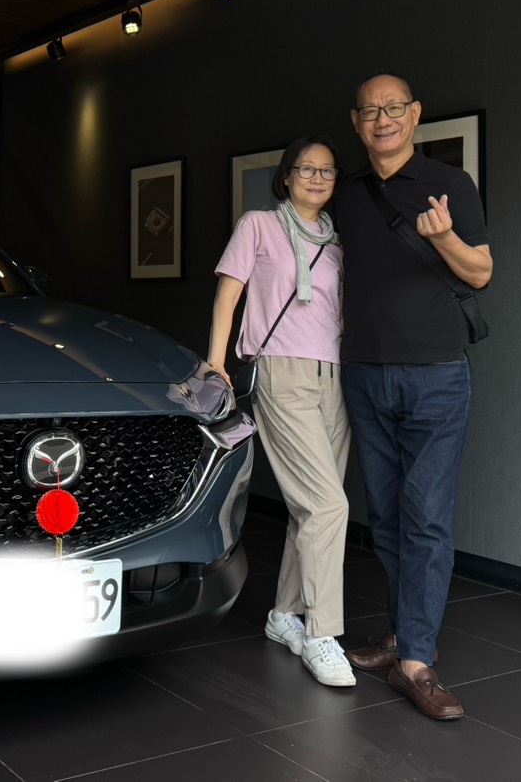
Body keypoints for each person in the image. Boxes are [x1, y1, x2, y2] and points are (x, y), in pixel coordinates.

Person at [331, 72, 492, 720]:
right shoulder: (346, 196)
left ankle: (417, 663)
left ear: (415, 114)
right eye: (370, 111)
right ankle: (402, 635)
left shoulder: (450, 185)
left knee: (426, 515)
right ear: (356, 122)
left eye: (393, 108)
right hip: (364, 372)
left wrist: (443, 237)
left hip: (436, 375)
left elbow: (481, 272)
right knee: (388, 517)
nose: (383, 119)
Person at [205, 136, 353, 687]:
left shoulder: (336, 243)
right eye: (306, 169)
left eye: (327, 170)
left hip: (334, 378)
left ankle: (284, 615)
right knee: (328, 504)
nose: (316, 178)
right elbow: (229, 294)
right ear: (286, 176)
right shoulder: (259, 226)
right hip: (282, 375)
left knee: (310, 510)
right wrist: (215, 362)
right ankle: (321, 632)